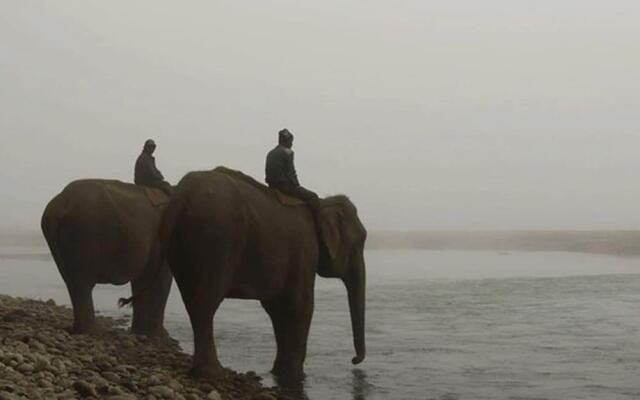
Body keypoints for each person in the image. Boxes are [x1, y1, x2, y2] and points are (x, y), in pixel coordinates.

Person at [265, 129, 319, 208]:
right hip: (285, 187)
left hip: (271, 186)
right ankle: (317, 219)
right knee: (313, 197)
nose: (291, 144)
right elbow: (291, 172)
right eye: (291, 141)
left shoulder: (270, 153)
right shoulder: (288, 152)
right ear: (286, 141)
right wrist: (297, 186)